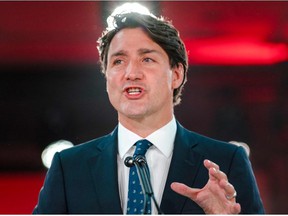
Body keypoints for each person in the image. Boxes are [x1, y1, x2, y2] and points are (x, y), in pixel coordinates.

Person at [33, 5, 264, 214]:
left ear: (176, 75)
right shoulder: (69, 167)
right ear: (106, 79)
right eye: (118, 61)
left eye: (147, 59)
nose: (131, 73)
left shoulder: (226, 161)